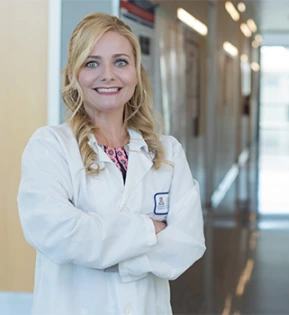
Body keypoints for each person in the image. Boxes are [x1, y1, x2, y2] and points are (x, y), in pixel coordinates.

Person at [17, 12, 206, 315]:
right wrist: (149, 230)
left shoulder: (167, 152)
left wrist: (114, 260)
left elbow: (187, 243)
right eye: (92, 63)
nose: (108, 75)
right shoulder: (50, 147)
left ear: (136, 72)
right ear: (73, 75)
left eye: (120, 62)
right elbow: (59, 234)